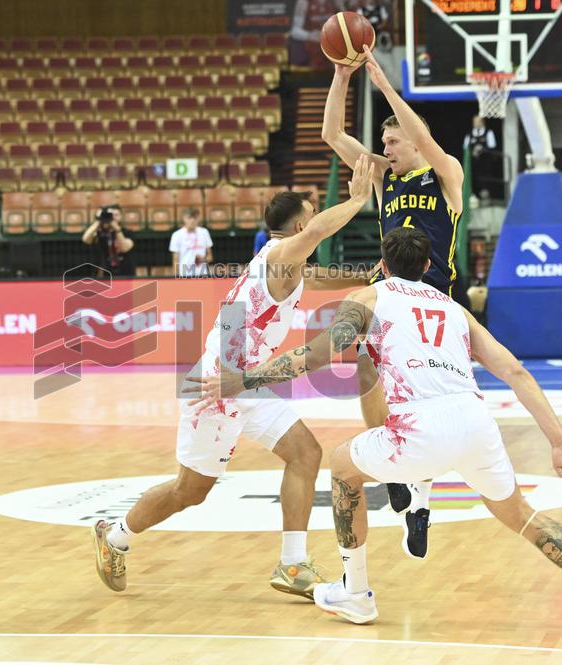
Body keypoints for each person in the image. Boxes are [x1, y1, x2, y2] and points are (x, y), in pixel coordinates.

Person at [187, 227, 562, 633]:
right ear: (428, 266)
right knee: (522, 516)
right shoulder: (454, 308)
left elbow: (316, 355)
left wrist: (244, 378)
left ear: (383, 265)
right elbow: (516, 372)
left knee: (342, 466)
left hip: (419, 426)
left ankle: (357, 593)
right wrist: (560, 442)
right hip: (475, 423)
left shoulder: (368, 297)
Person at [90, 157, 378, 599]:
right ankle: (115, 537)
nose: (315, 219)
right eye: (312, 212)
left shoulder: (285, 266)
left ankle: (292, 564)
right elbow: (319, 234)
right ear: (300, 224)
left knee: (305, 453)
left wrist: (365, 277)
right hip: (218, 386)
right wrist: (358, 199)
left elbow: (317, 279)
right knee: (190, 491)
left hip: (246, 383)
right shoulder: (282, 253)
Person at [322, 44, 469, 554]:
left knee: (425, 400)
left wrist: (384, 84)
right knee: (365, 375)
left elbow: (425, 138)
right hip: (389, 298)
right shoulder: (384, 179)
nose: (384, 147)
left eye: (392, 139)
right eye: (382, 139)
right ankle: (400, 475)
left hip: (435, 299)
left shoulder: (445, 171)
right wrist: (343, 75)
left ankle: (422, 504)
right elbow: (332, 135)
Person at [81, 205, 136, 277]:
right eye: (111, 215)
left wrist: (117, 229)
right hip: (106, 273)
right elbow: (86, 239)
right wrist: (99, 221)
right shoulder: (99, 232)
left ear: (121, 216)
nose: (113, 217)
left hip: (126, 273)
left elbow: (124, 248)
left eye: (116, 215)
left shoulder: (127, 232)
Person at [463, 115, 499, 200]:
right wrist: (473, 152)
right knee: (473, 179)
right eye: (475, 122)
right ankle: (473, 196)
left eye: (478, 121)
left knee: (485, 181)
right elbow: (465, 148)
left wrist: (482, 150)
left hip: (485, 164)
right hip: (473, 164)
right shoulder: (469, 134)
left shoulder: (488, 132)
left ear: (483, 122)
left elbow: (492, 147)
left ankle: (486, 195)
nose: (476, 124)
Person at [169, 208, 213, 277]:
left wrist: (203, 259)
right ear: (184, 218)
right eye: (189, 218)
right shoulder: (177, 235)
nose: (192, 221)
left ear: (198, 219)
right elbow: (175, 259)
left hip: (202, 275)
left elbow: (210, 257)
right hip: (184, 275)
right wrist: (176, 277)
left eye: (195, 218)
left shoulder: (204, 232)